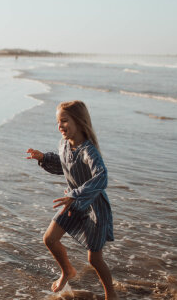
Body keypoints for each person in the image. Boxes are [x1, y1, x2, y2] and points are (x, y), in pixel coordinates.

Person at [27, 100, 117, 300]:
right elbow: (64, 167)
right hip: (72, 203)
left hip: (94, 208)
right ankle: (67, 270)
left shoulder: (88, 150)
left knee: (94, 259)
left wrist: (74, 194)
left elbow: (101, 177)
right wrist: (43, 158)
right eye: (58, 121)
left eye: (64, 121)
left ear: (79, 121)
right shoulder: (64, 145)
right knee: (49, 239)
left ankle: (111, 295)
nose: (60, 126)